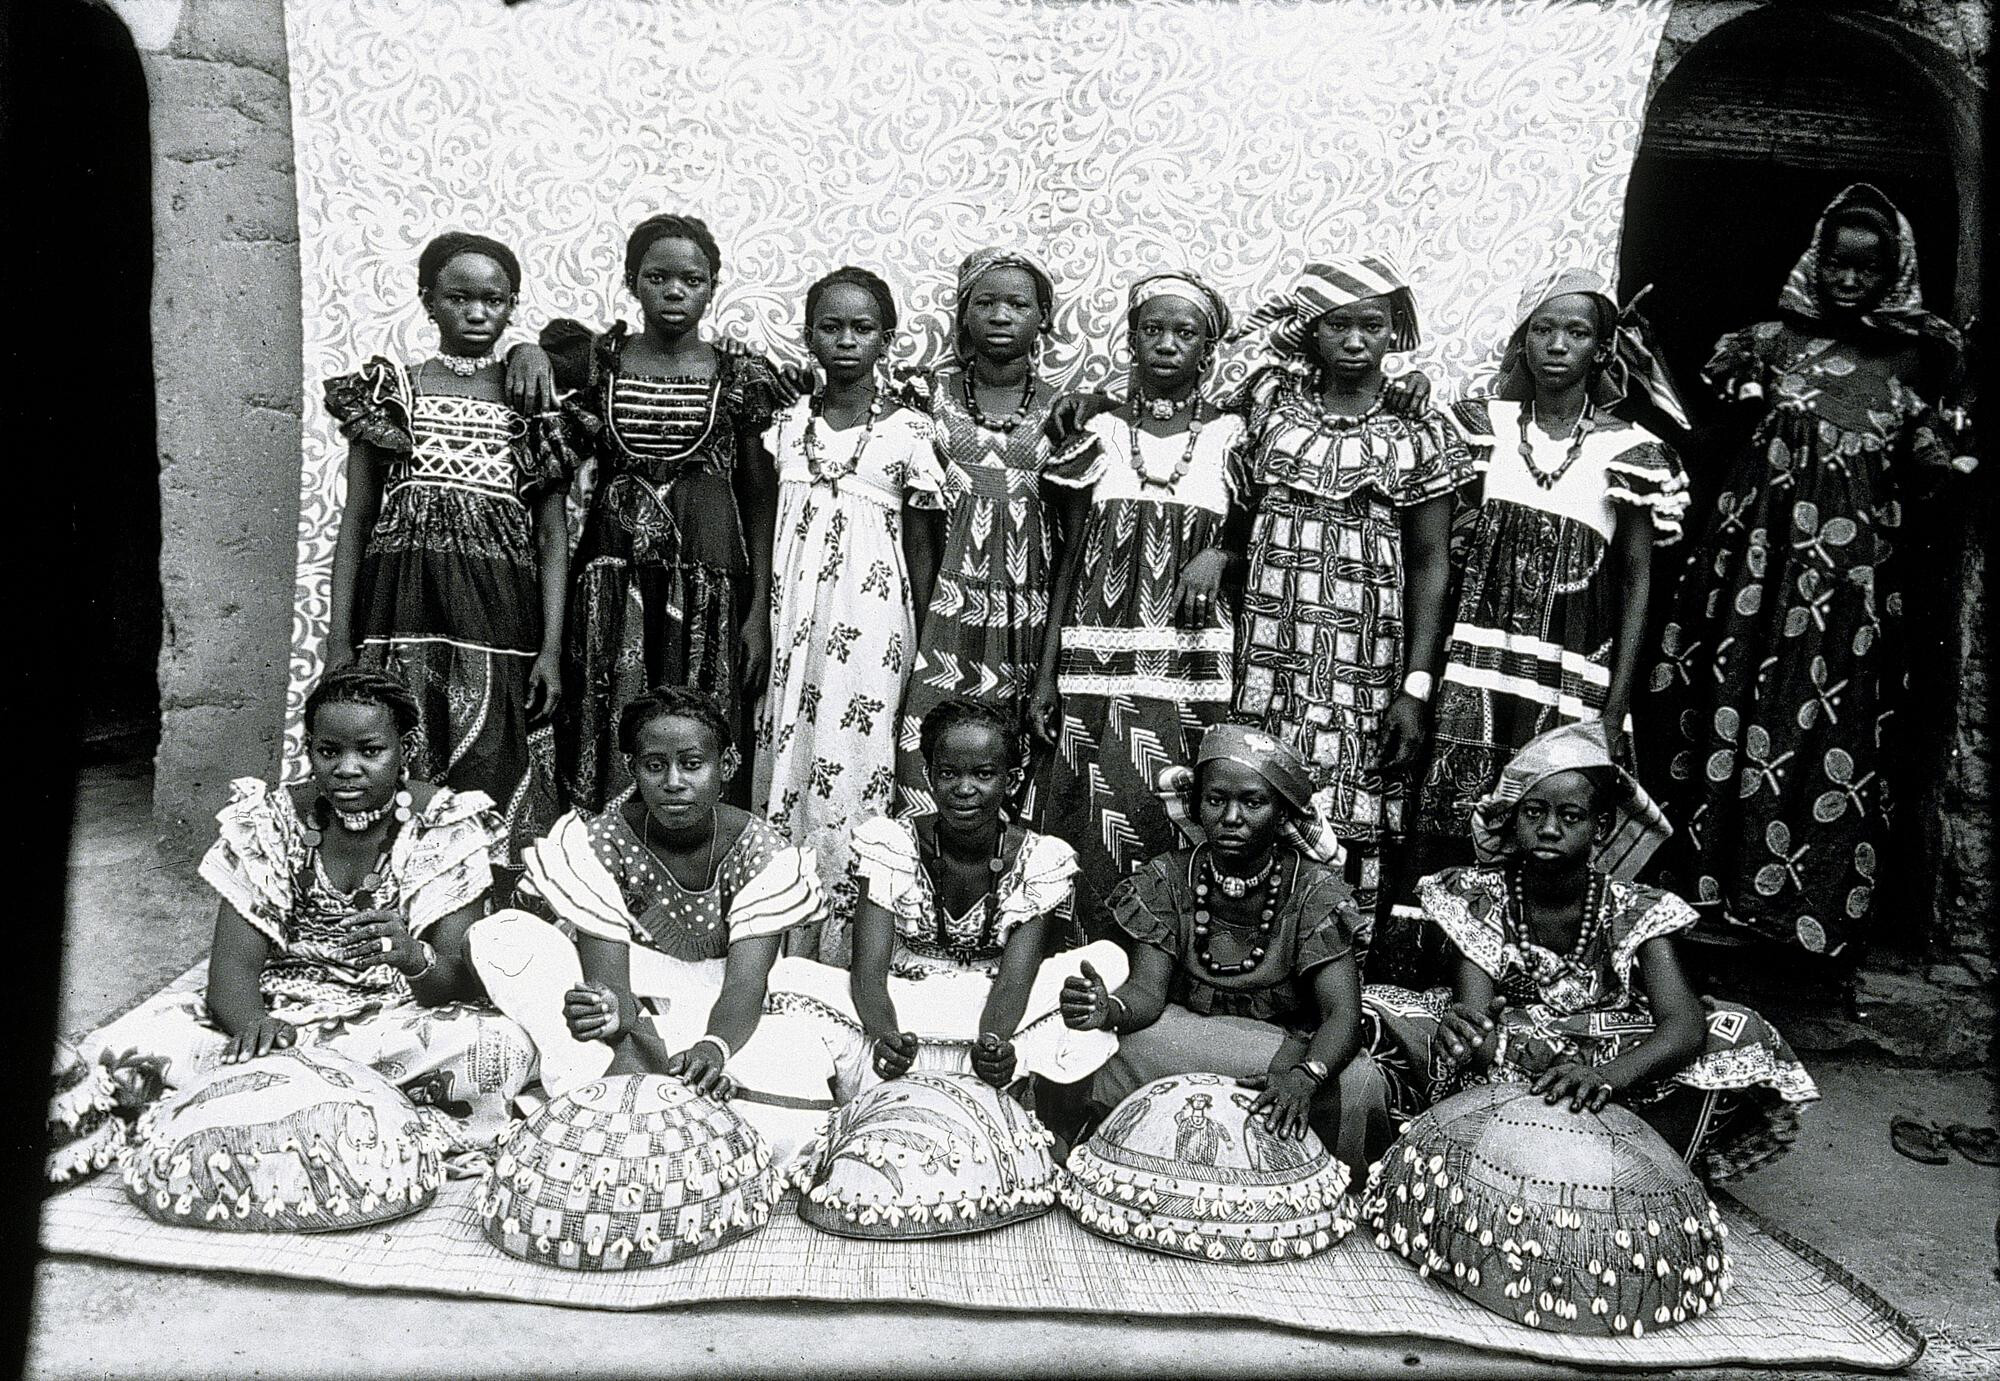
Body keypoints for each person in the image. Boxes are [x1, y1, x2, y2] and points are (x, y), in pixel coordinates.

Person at [1643, 184, 1971, 958]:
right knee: (1732, 695)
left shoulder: (1917, 357)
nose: (1849, 280)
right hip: (1755, 563)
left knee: (1825, 712)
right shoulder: (1767, 342)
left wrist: (1954, 460)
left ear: (1894, 271)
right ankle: (1705, 889)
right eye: (1838, 263)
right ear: (1815, 260)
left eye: (1869, 267)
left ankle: (1798, 902)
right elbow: (1711, 428)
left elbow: (1921, 460)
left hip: (1849, 578)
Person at [82, 669, 536, 1151]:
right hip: (279, 1014)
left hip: (389, 1021)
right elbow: (233, 967)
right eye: (329, 751)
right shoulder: (270, 821)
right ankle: (329, 1100)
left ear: (407, 749)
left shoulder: (444, 825)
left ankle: (265, 1099)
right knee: (117, 1046)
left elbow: (454, 982)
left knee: (500, 1046)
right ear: (310, 750)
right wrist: (255, 1029)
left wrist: (410, 955)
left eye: (370, 750)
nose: (346, 768)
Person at [1368, 721, 1818, 1181]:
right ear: (1514, 818)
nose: (1548, 829)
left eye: (1570, 817)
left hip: (1609, 1052)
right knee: (1383, 1011)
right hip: (1517, 1045)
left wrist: (1606, 1076)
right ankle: (1516, 1153)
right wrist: (1474, 1033)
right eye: (1534, 813)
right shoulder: (1479, 895)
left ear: (1600, 827)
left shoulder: (1634, 907)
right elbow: (1477, 1014)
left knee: (1736, 1030)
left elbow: (1682, 1023)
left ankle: (1640, 1173)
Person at [464, 687, 843, 1164]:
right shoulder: (601, 841)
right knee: (504, 934)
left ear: (725, 766)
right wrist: (610, 1015)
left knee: (796, 1061)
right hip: (635, 1007)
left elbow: (746, 984)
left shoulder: (761, 851)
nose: (674, 782)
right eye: (654, 765)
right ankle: (641, 1087)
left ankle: (633, 1095)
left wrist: (714, 1047)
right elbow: (611, 988)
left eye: (692, 764)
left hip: (727, 1010)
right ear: (631, 769)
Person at [505, 213, 787, 812]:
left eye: (693, 279)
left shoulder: (740, 375)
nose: (675, 292)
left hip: (710, 583)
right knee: (606, 726)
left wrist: (758, 610)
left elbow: (762, 500)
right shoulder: (599, 362)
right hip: (610, 585)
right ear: (633, 282)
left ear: (713, 285)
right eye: (657, 278)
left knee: (697, 731)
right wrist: (525, 347)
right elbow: (533, 377)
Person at [1228, 256, 1473, 936]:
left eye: (1374, 323)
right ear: (1313, 332)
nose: (1357, 339)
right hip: (1269, 655)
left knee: (1353, 817)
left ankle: (1335, 969)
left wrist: (1415, 688)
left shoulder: (1419, 431)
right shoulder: (1271, 404)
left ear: (1395, 333)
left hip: (1365, 661)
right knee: (1253, 796)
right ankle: (1250, 959)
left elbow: (1430, 563)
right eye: (1338, 324)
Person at [1411, 268, 1688, 864]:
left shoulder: (1632, 451)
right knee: (1455, 840)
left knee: (1556, 841)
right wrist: (1420, 681)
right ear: (1522, 339)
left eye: (1577, 332)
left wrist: (1615, 709)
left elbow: (1639, 581)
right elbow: (1434, 560)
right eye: (1543, 329)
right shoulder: (1479, 428)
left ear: (1603, 348)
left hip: (1571, 681)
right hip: (1475, 674)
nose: (1558, 345)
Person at [321, 232, 581, 864]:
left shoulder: (534, 406)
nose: (475, 312)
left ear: (512, 304)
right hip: (400, 613)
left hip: (498, 617)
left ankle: (486, 924)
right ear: (427, 301)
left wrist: (550, 648)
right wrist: (338, 637)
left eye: (492, 299)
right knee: (397, 756)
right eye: (458, 297)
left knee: (493, 757)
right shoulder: (391, 394)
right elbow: (357, 519)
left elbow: (552, 535)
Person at [1058, 724, 1392, 1173]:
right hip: (1182, 1039)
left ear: (1282, 814)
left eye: (1252, 802)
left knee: (1357, 1083)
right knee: (1110, 1051)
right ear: (1197, 807)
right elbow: (1146, 996)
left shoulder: (1315, 894)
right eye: (1216, 800)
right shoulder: (1168, 879)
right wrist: (1110, 1009)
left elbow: (1342, 1017)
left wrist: (1305, 1076)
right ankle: (1134, 1165)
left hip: (1281, 1057)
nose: (1231, 816)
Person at [764, 697, 1130, 1101]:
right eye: (948, 773)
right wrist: (886, 1035)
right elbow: (867, 971)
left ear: (1011, 780)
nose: (964, 788)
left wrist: (993, 1044)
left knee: (1109, 961)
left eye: (984, 774)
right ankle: (907, 1063)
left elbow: (1015, 982)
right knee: (789, 977)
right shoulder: (892, 844)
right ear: (928, 776)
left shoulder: (1040, 860)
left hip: (992, 1009)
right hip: (904, 1005)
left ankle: (994, 1066)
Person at [1032, 272, 1249, 927]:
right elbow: (1069, 558)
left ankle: (1160, 955)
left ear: (1207, 350)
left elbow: (1253, 534)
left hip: (1188, 663)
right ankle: (1074, 949)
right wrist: (1046, 674)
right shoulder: (1095, 426)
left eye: (1184, 333)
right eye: (1151, 329)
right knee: (1085, 801)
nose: (1166, 343)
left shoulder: (1233, 435)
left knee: (1174, 801)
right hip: (1095, 661)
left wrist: (1223, 552)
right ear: (1130, 339)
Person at [752, 267, 946, 960]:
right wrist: (754, 620)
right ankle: (779, 933)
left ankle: (846, 942)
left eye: (861, 328)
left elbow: (923, 551)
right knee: (789, 752)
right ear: (808, 337)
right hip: (794, 616)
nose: (845, 340)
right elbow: (763, 528)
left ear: (886, 339)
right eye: (830, 327)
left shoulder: (909, 432)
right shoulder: (784, 427)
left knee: (858, 756)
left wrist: (919, 640)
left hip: (872, 625)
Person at [894, 248, 1068, 820]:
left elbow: (1070, 530)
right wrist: (922, 613)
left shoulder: (1066, 410)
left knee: (1010, 751)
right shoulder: (927, 396)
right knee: (934, 744)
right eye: (986, 301)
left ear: (1042, 316)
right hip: (946, 595)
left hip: (1026, 601)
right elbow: (916, 520)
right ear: (963, 312)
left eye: (1018, 303)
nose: (1001, 315)